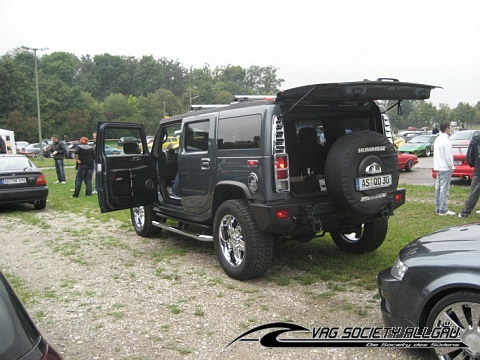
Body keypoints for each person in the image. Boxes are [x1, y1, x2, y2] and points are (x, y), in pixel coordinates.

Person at [433, 123, 455, 216]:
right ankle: (443, 209)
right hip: (445, 167)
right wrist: (452, 166)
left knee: (438, 188)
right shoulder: (446, 141)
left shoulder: (437, 139)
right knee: (444, 189)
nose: (451, 129)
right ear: (446, 129)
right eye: (450, 128)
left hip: (438, 166)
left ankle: (438, 207)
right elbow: (448, 156)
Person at [458, 133, 480, 217]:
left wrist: (473, 164)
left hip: (478, 169)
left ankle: (465, 212)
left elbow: (470, 155)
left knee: (474, 192)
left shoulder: (476, 139)